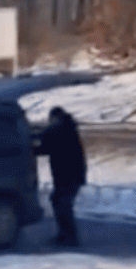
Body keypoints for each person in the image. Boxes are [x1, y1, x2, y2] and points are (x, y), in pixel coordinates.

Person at [34, 106, 87, 248]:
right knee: (59, 202)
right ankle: (66, 235)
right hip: (68, 175)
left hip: (68, 175)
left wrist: (30, 147)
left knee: (63, 204)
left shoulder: (61, 131)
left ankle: (70, 237)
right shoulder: (68, 129)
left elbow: (45, 147)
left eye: (51, 119)